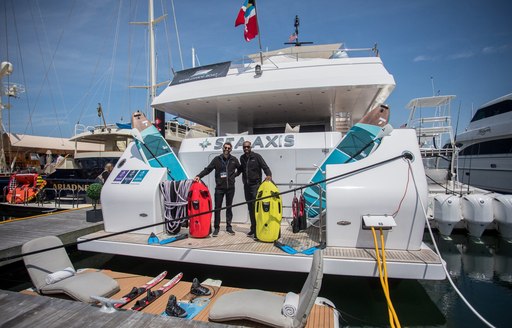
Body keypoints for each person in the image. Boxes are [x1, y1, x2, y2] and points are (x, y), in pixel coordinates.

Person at [194, 142, 240, 237]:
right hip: (219, 188)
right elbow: (208, 169)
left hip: (230, 188)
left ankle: (229, 227)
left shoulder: (234, 160)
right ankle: (216, 228)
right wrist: (199, 176)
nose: (226, 149)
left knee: (229, 207)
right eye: (225, 147)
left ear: (231, 150)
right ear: (222, 148)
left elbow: (240, 169)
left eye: (228, 148)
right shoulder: (217, 160)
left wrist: (234, 176)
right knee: (217, 208)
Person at [238, 141, 272, 237]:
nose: (246, 148)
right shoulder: (242, 158)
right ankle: (253, 228)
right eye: (244, 147)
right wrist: (233, 175)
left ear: (250, 147)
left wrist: (269, 175)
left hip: (255, 186)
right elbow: (241, 169)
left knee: (256, 208)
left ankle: (258, 230)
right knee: (250, 208)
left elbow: (265, 167)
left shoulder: (257, 157)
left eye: (247, 147)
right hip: (247, 186)